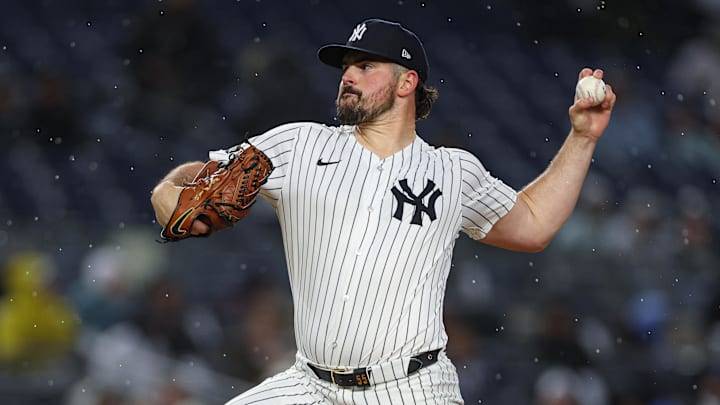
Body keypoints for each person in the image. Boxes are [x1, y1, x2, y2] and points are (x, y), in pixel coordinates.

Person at [150, 18, 616, 404]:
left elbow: (533, 224)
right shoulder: (298, 144)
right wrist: (177, 188)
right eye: (346, 66)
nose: (347, 75)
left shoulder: (452, 171)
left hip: (413, 388)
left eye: (365, 65)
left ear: (407, 82)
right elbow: (187, 200)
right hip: (310, 386)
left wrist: (582, 138)